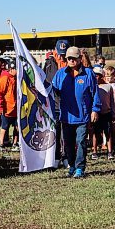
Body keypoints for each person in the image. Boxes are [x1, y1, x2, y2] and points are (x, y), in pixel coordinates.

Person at [52, 46, 101, 178]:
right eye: (69, 58)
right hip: (66, 116)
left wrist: (95, 110)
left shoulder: (88, 73)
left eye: (74, 58)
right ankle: (72, 166)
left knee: (81, 142)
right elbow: (53, 90)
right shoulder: (60, 74)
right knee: (67, 143)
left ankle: (80, 168)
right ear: (66, 59)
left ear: (80, 58)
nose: (72, 60)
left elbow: (95, 93)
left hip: (83, 116)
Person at [44, 39, 70, 168]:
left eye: (64, 54)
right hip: (53, 102)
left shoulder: (72, 63)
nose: (61, 56)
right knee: (55, 130)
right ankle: (55, 157)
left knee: (67, 132)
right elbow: (45, 81)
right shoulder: (49, 63)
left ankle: (67, 156)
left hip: (68, 102)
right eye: (59, 53)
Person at [91, 66, 115, 160]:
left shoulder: (108, 87)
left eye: (98, 75)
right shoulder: (92, 87)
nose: (96, 77)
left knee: (108, 132)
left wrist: (113, 113)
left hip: (107, 112)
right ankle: (94, 151)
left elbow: (112, 101)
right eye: (94, 75)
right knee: (95, 133)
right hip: (96, 113)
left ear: (102, 76)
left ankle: (110, 151)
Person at [0, 62, 18, 151]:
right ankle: (1, 143)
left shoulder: (16, 79)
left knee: (17, 126)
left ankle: (15, 143)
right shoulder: (5, 79)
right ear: (11, 69)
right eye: (16, 69)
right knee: (4, 126)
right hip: (6, 108)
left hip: (15, 108)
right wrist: (0, 106)